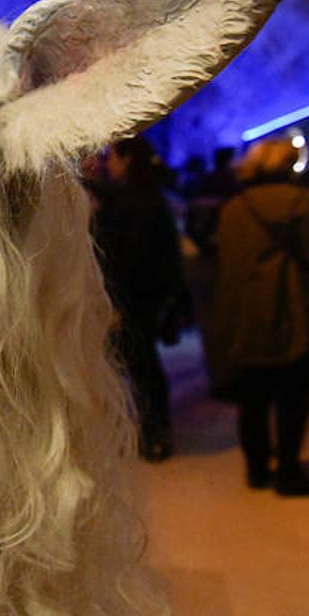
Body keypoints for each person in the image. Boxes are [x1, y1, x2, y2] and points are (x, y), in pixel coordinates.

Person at [205, 136, 309, 496]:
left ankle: (257, 469)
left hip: (246, 315)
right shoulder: (299, 203)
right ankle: (289, 473)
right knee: (292, 398)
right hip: (291, 311)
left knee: (253, 399)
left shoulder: (233, 208)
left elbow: (226, 265)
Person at [89, 135, 188, 462]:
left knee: (135, 368)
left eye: (113, 157)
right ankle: (153, 431)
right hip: (150, 296)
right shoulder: (152, 196)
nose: (109, 163)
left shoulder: (128, 201)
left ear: (127, 158)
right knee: (146, 367)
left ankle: (148, 433)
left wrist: (113, 302)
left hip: (131, 298)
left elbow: (123, 257)